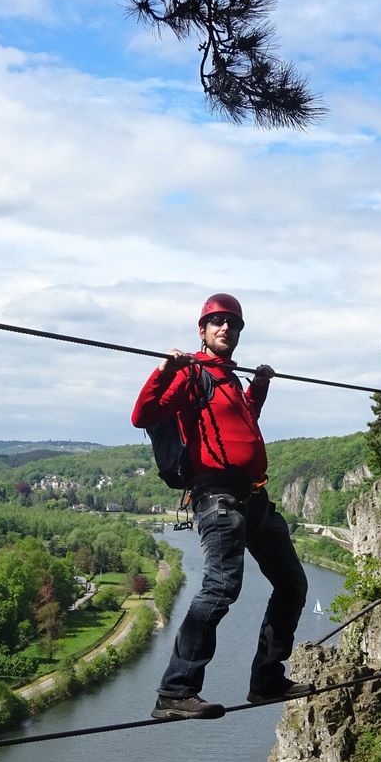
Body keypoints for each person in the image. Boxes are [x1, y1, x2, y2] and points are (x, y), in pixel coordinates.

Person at [132, 293, 312, 720]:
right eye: (216, 322)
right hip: (217, 496)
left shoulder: (227, 377)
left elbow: (241, 418)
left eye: (232, 322)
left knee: (292, 584)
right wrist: (164, 369)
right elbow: (143, 415)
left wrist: (260, 386)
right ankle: (175, 690)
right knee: (221, 586)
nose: (225, 328)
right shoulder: (192, 373)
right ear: (203, 329)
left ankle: (266, 679)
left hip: (254, 499)